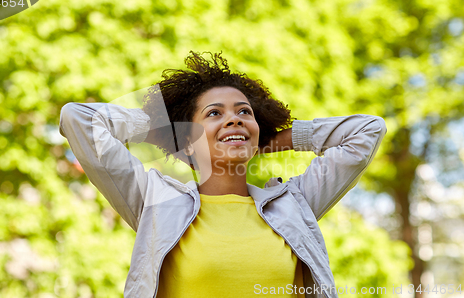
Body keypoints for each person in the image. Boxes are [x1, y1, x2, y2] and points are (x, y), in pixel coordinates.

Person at [59, 51, 387, 298]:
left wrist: (275, 141)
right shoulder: (154, 203)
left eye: (244, 112)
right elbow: (79, 120)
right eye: (215, 113)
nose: (234, 119)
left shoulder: (294, 206)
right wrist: (167, 132)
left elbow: (367, 131)